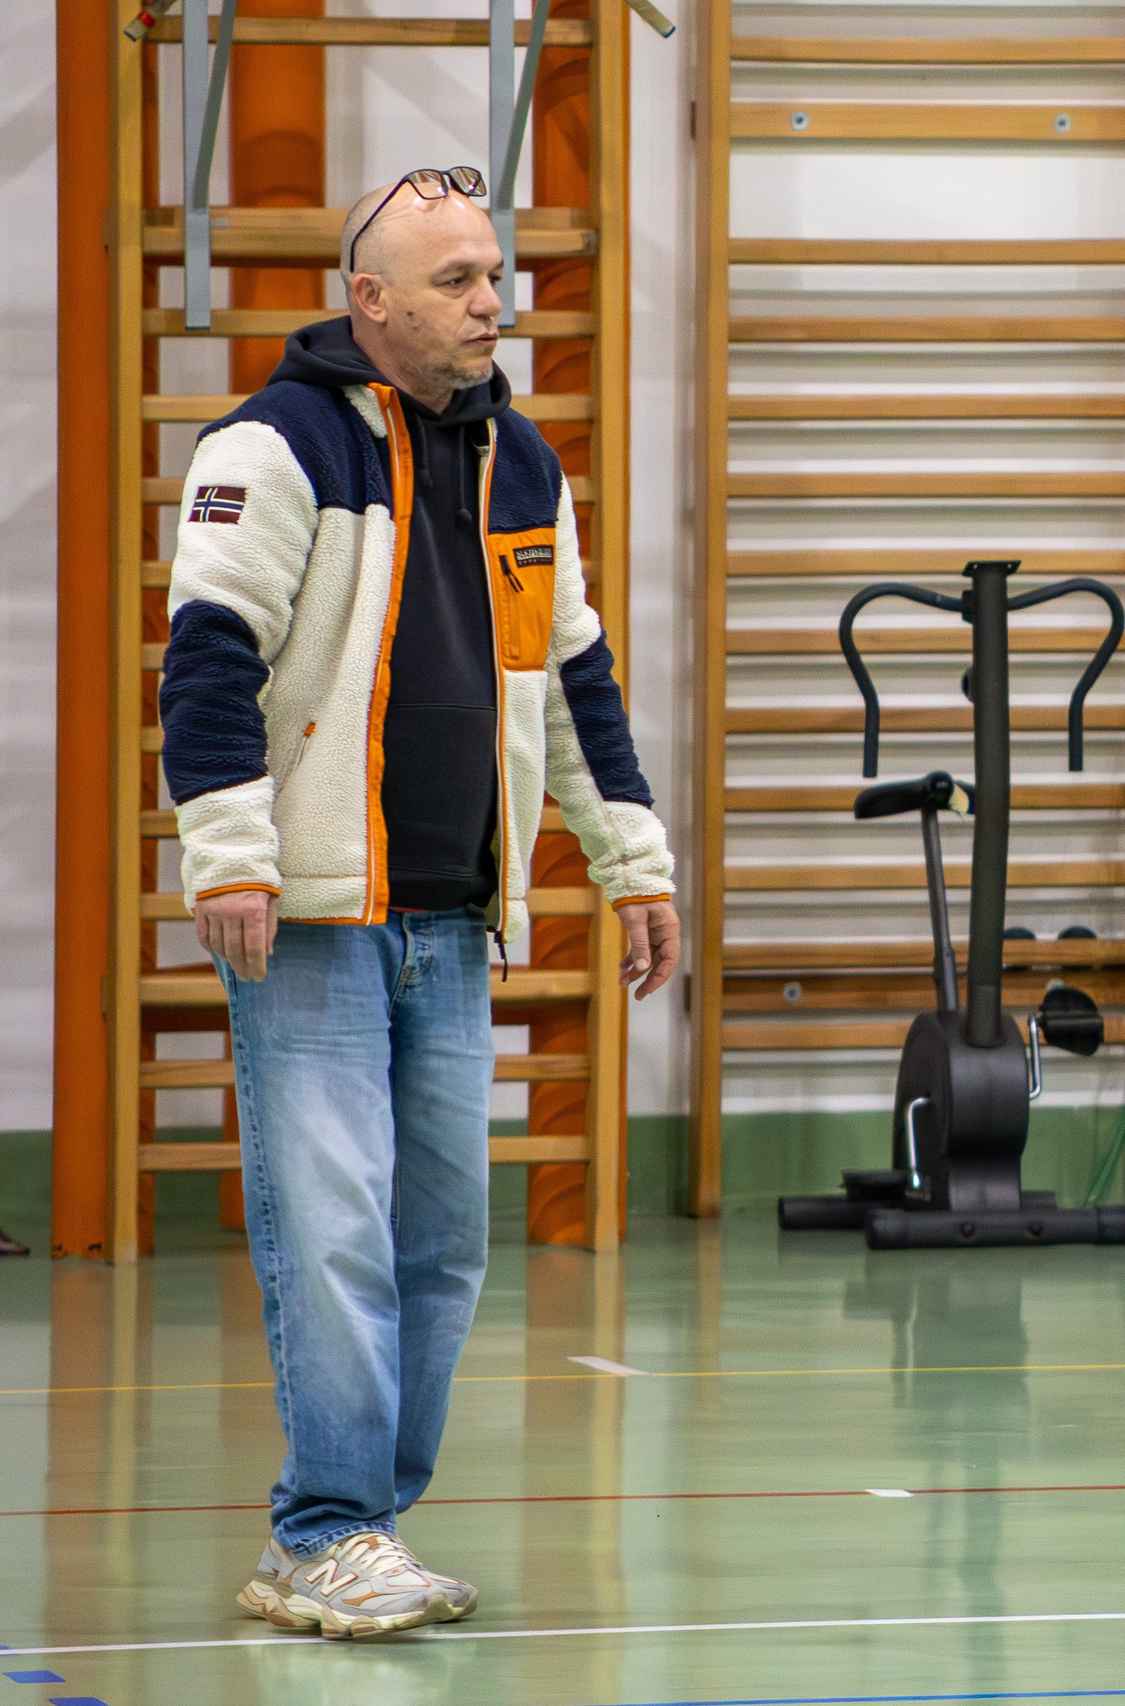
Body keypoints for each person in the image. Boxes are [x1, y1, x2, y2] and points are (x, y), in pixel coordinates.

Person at [160, 169, 681, 1639]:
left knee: (440, 1240)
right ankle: (322, 1525)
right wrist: (231, 851)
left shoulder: (523, 463)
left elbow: (574, 680)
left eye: (494, 272)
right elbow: (206, 661)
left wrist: (630, 863)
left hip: (455, 915)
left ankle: (358, 1525)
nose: (490, 300)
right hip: (315, 915)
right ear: (370, 299)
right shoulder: (271, 446)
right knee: (328, 1226)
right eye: (454, 280)